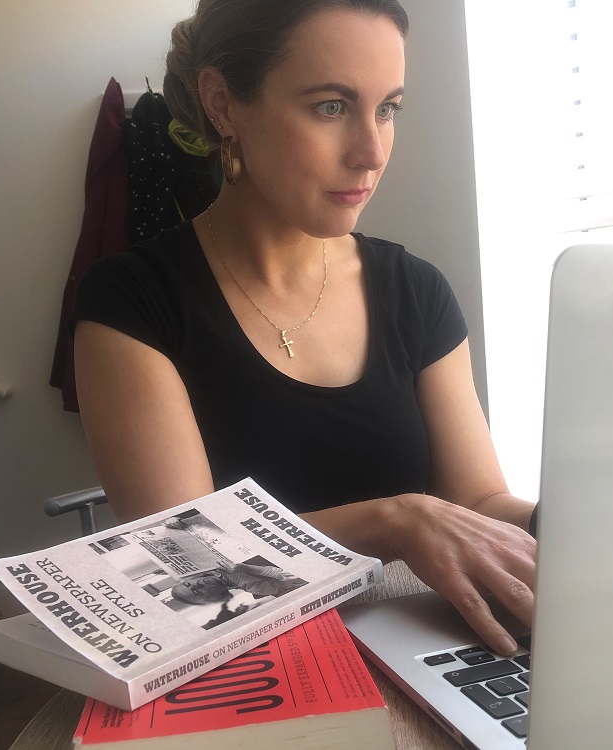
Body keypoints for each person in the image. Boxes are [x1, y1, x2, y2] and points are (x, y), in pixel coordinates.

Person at [72, 0, 537, 656]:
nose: (371, 152)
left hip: (424, 650)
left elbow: (482, 502)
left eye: (388, 108)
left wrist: (571, 519)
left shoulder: (417, 292)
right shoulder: (133, 301)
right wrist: (393, 521)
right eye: (331, 106)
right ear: (224, 105)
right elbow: (186, 561)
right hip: (246, 667)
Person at [171, 560, 308, 605]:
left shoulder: (202, 564)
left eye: (188, 584)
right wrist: (247, 568)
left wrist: (173, 523)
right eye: (197, 591)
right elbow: (297, 577)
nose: (196, 584)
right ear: (215, 597)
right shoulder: (255, 588)